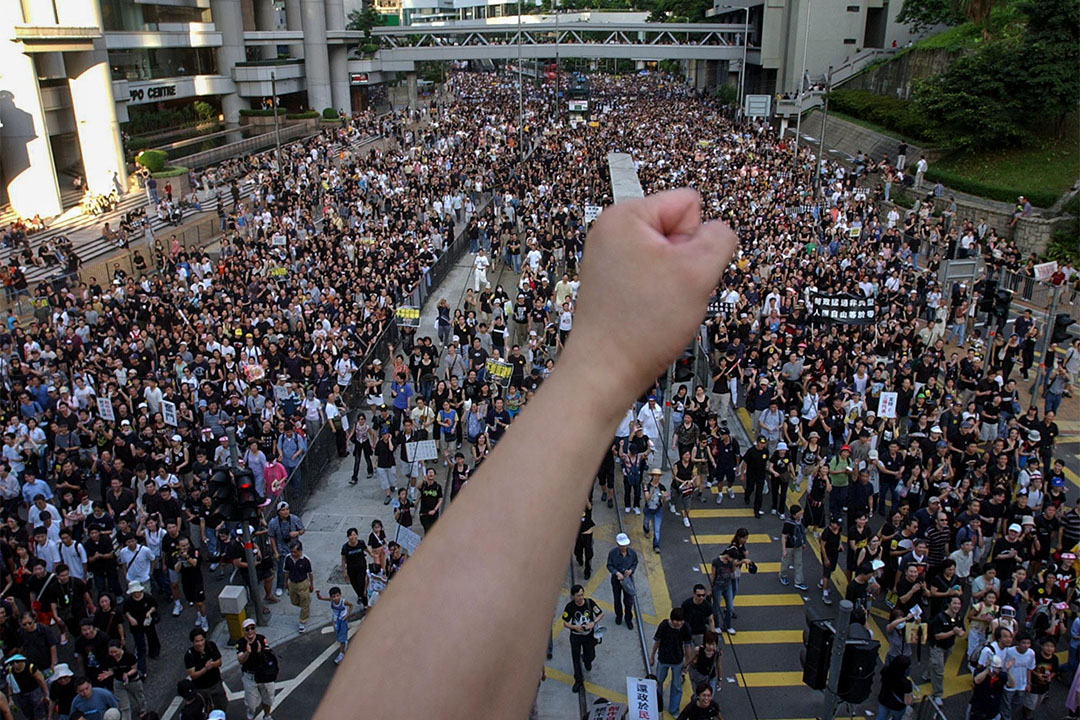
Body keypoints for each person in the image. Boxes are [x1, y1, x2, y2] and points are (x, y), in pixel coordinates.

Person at [561, 584, 602, 694]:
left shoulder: (589, 603)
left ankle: (587, 660)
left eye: (582, 595)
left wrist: (593, 623)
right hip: (576, 636)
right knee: (575, 658)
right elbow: (565, 622)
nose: (581, 598)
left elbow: (600, 613)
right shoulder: (570, 607)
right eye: (578, 595)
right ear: (573, 596)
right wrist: (575, 627)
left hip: (589, 635)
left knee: (591, 655)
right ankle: (578, 680)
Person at [650, 608, 693, 715]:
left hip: (678, 661)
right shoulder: (664, 626)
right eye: (676, 621)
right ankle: (657, 705)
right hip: (663, 659)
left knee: (677, 686)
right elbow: (657, 642)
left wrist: (687, 663)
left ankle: (674, 710)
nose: (679, 623)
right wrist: (652, 656)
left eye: (681, 621)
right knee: (658, 683)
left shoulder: (685, 627)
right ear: (671, 619)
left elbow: (687, 647)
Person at [928, 595, 965, 706]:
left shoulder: (959, 617)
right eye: (954, 603)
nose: (957, 606)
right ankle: (937, 694)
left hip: (949, 646)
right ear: (948, 604)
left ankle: (928, 674)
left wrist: (960, 632)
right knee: (939, 671)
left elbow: (962, 630)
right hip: (937, 646)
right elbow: (938, 636)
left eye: (959, 604)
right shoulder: (939, 618)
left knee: (937, 664)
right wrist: (953, 632)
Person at [236, 618, 275, 720]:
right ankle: (250, 715)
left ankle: (267, 715)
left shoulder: (261, 639)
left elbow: (268, 653)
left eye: (252, 628)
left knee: (268, 698)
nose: (250, 631)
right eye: (247, 629)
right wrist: (247, 653)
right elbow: (240, 659)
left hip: (263, 674)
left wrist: (260, 652)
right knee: (251, 703)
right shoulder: (241, 643)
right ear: (243, 630)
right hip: (250, 676)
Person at [184, 628, 226, 710]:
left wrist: (212, 664)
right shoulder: (189, 655)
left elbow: (219, 662)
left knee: (222, 705)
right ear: (192, 642)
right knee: (204, 710)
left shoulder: (211, 646)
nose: (200, 644)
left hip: (215, 684)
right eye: (197, 641)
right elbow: (193, 675)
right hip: (201, 688)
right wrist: (205, 669)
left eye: (201, 640)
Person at [606, 533, 638, 631]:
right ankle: (619, 615)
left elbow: (635, 563)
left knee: (629, 601)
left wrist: (631, 570)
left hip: (628, 580)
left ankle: (628, 619)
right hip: (616, 580)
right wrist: (616, 573)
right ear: (617, 544)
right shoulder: (612, 553)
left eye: (625, 545)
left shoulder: (632, 553)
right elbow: (609, 565)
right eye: (621, 546)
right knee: (617, 599)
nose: (624, 547)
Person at [315, 586, 354, 665]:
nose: (336, 598)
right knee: (337, 633)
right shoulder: (332, 601)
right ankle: (343, 642)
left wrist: (347, 615)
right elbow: (321, 598)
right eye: (333, 597)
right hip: (336, 620)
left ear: (340, 595)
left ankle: (342, 653)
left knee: (342, 637)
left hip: (343, 620)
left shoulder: (343, 602)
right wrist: (318, 594)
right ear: (331, 597)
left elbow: (351, 606)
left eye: (337, 596)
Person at [283, 541, 313, 633]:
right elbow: (286, 571)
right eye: (292, 551)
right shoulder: (288, 558)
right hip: (292, 583)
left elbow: (310, 573)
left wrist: (311, 584)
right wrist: (285, 582)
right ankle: (306, 605)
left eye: (295, 552)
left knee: (304, 604)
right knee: (294, 601)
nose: (293, 554)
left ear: (300, 551)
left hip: (303, 583)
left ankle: (302, 621)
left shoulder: (306, 560)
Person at [778, 504, 808, 591]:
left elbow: (802, 532)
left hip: (798, 545)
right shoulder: (788, 523)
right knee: (786, 562)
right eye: (799, 514)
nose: (801, 515)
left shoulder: (801, 521)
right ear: (794, 515)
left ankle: (798, 581)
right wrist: (784, 550)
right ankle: (782, 575)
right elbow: (784, 536)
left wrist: (803, 543)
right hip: (789, 546)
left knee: (799, 563)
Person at [874, 655, 912, 720]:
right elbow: (907, 702)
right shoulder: (906, 683)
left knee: (881, 717)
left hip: (884, 701)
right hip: (897, 707)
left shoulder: (885, 671)